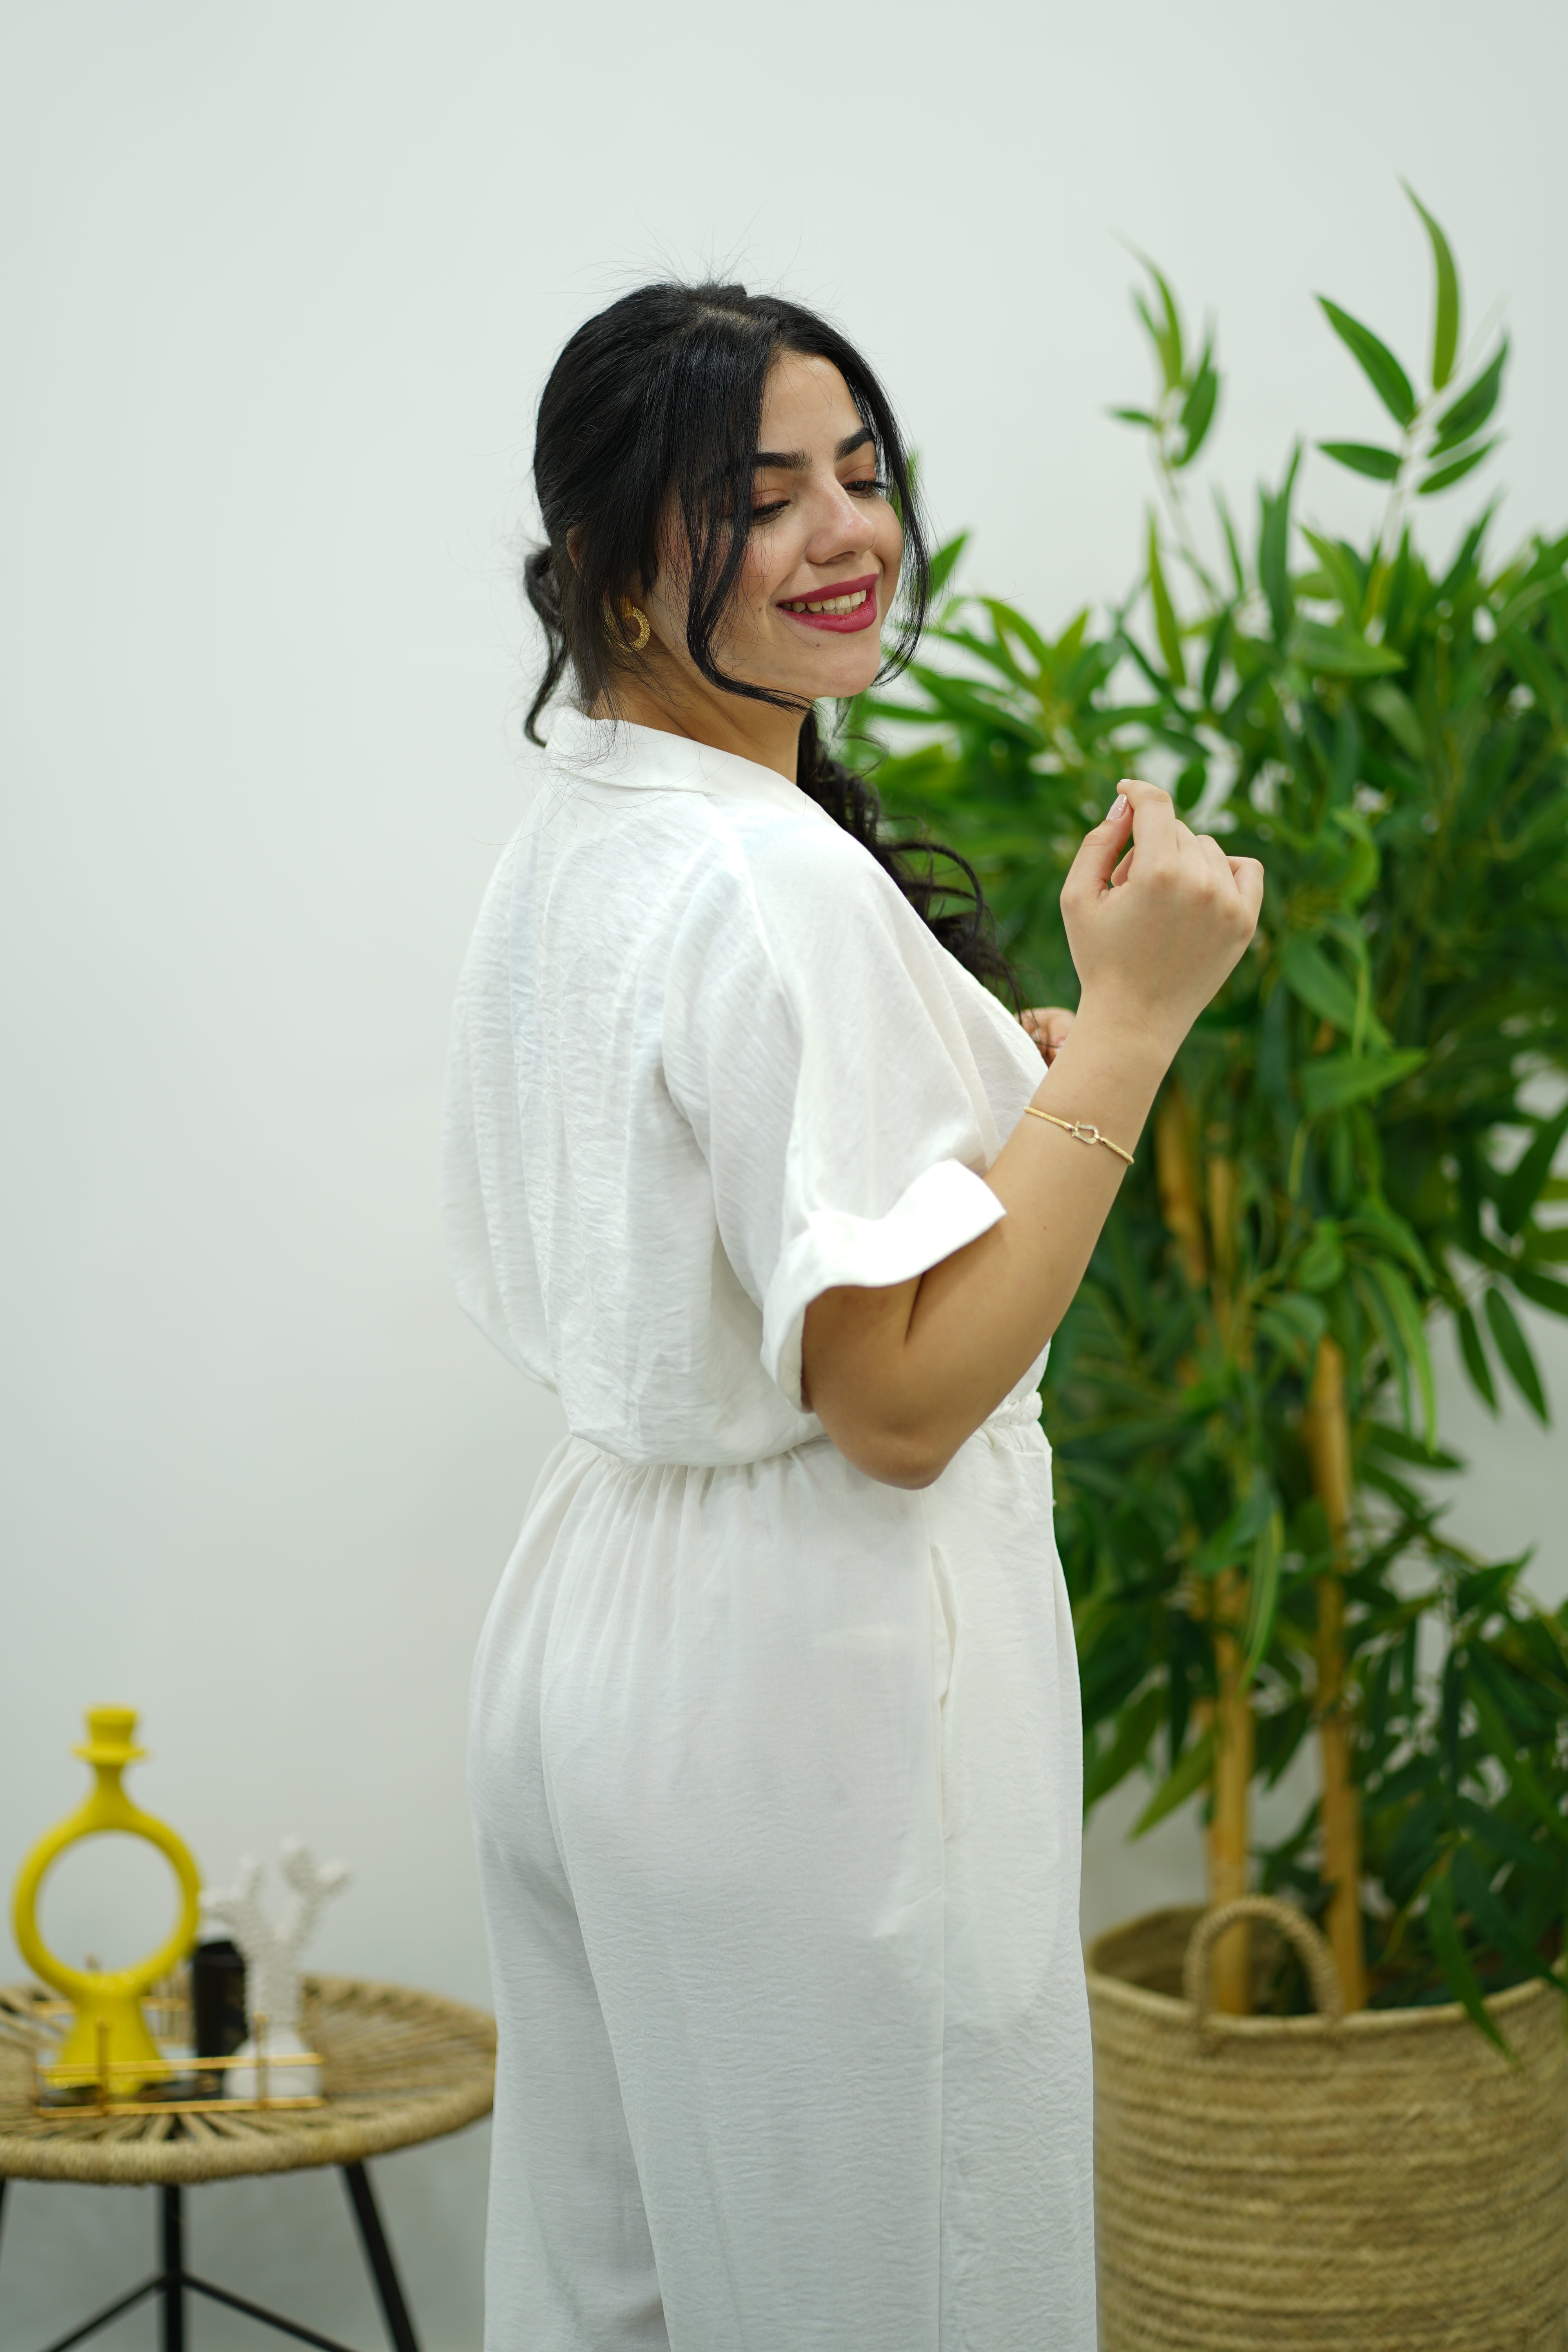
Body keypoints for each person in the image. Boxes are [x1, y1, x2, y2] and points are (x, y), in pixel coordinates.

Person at [443, 281, 1263, 2352]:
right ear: (610, 562)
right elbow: (892, 1403)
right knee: (908, 2291)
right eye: (759, 495)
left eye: (864, 474)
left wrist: (1001, 1099)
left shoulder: (598, 824)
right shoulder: (771, 879)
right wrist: (1131, 1037)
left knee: (628, 2298)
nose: (847, 535)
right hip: (812, 1690)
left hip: (604, 1641)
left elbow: (750, 1229)